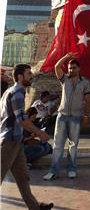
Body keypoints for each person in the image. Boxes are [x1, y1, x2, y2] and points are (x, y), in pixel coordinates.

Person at [0, 63, 54, 210]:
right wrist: (40, 133)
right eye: (29, 73)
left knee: (23, 177)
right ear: (20, 76)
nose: (31, 76)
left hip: (15, 142)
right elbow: (22, 119)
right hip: (9, 142)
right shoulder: (18, 92)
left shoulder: (11, 91)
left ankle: (35, 207)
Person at [43, 53, 90, 180]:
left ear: (79, 69)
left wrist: (86, 116)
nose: (71, 70)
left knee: (73, 145)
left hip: (76, 117)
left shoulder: (85, 83)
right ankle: (53, 171)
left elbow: (88, 100)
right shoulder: (64, 79)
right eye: (70, 68)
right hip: (62, 116)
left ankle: (71, 169)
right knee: (58, 145)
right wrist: (66, 57)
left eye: (74, 68)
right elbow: (56, 67)